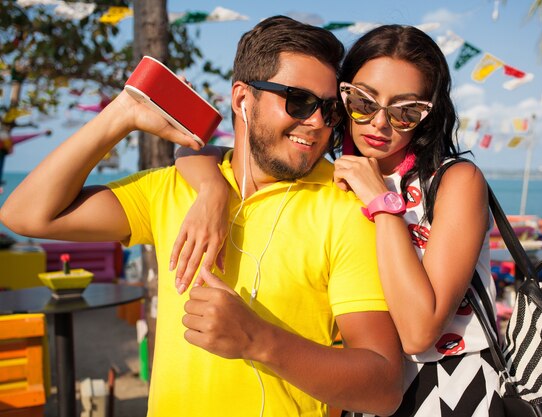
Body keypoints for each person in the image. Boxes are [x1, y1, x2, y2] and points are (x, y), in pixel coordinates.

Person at [0, 16, 404, 417]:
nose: (317, 122)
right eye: (298, 101)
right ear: (243, 98)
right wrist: (121, 115)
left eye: (330, 110)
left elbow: (383, 387)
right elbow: (26, 215)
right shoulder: (174, 189)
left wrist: (258, 340)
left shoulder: (342, 206)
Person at [172, 24, 504, 417]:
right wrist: (211, 190)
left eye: (406, 111)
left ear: (428, 115)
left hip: (448, 388)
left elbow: (418, 331)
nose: (380, 123)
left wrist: (382, 202)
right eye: (364, 102)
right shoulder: (331, 174)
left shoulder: (455, 182)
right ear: (339, 98)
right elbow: (204, 152)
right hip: (354, 390)